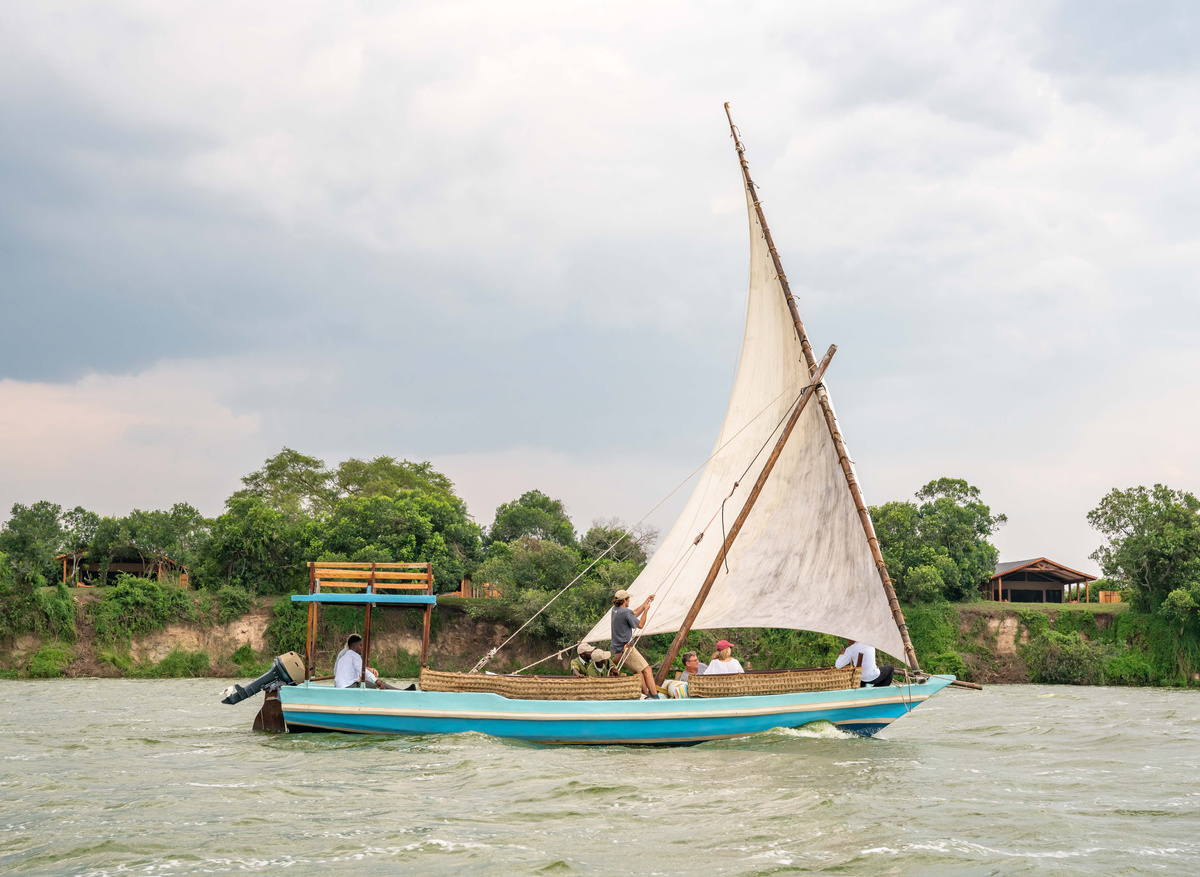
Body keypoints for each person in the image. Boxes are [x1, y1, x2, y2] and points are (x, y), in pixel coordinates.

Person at [610, 588, 657, 697]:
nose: (629, 601)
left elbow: (633, 613)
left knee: (638, 672)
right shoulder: (626, 612)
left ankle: (646, 696)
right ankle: (655, 697)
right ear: (625, 600)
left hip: (617, 648)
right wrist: (646, 610)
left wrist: (646, 601)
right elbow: (640, 625)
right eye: (628, 599)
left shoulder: (614, 610)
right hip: (626, 648)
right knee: (647, 670)